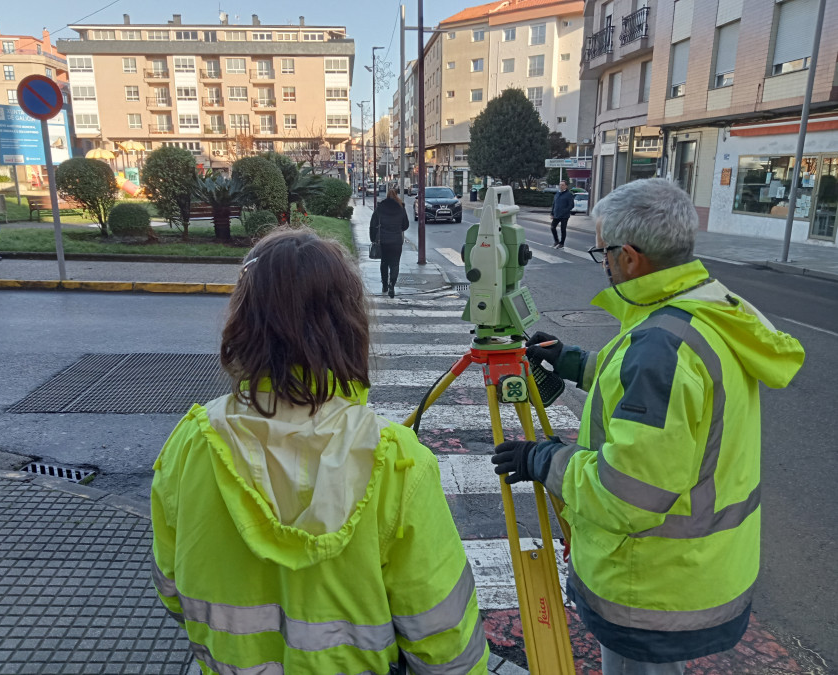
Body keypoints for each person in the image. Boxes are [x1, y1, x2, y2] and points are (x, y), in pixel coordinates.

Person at [492, 179, 805, 673]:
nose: (605, 264)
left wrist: (543, 458)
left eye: (604, 254)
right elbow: (660, 391)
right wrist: (576, 363)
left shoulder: (662, 347)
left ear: (630, 258)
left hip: (653, 587)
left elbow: (628, 494)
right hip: (696, 572)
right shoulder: (705, 308)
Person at [151, 229, 489, 675]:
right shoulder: (396, 463)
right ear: (349, 324)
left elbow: (172, 587)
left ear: (243, 323)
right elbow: (445, 639)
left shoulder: (190, 444)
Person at [370, 188, 409, 298]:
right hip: (396, 241)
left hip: (383, 240)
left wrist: (373, 238)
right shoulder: (401, 207)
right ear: (396, 196)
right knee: (395, 264)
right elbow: (405, 225)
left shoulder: (380, 207)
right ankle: (392, 285)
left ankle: (384, 285)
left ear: (387, 196)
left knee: (384, 263)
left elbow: (373, 224)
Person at [550, 180, 574, 249]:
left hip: (564, 215)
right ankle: (556, 241)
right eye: (560, 184)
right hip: (556, 214)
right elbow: (554, 204)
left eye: (562, 185)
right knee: (552, 227)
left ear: (566, 186)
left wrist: (564, 211)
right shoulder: (557, 193)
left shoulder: (569, 194)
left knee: (563, 229)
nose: (561, 186)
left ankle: (562, 243)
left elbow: (571, 205)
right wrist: (552, 213)